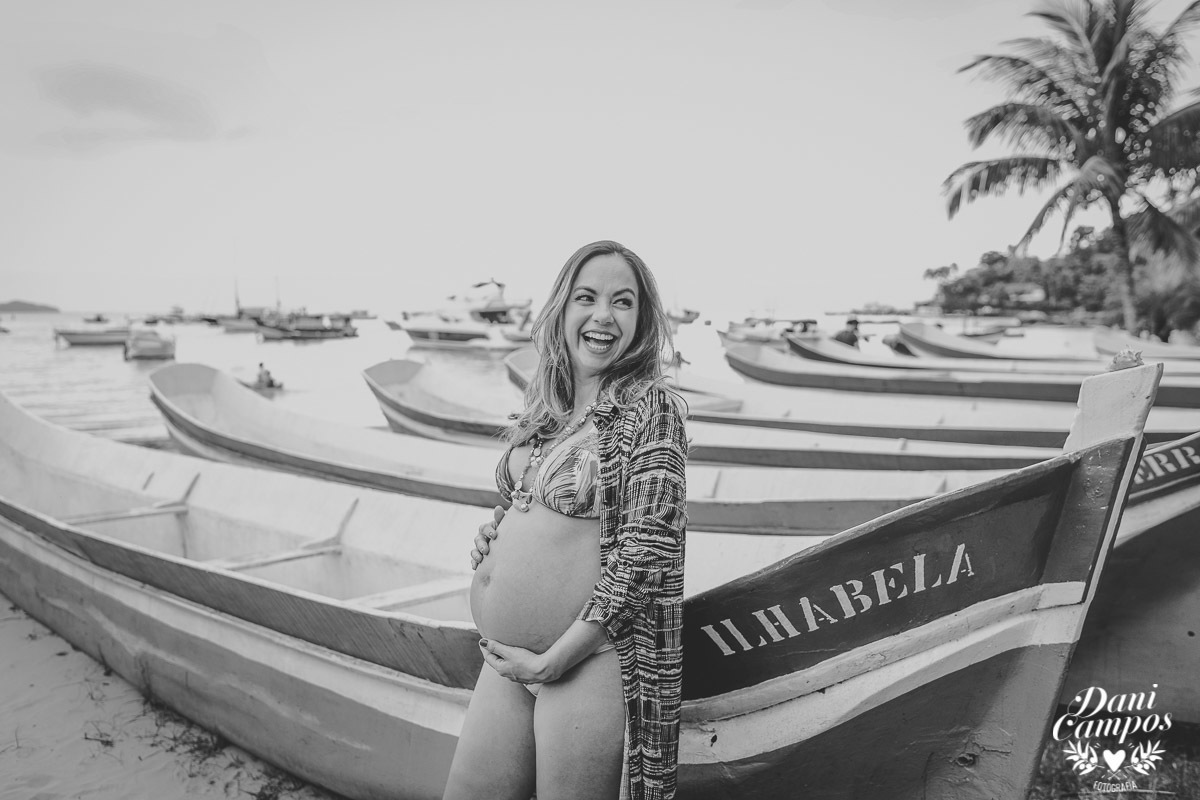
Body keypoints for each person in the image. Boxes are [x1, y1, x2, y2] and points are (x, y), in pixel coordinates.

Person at [445, 241, 689, 800]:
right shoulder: (547, 409)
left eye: (622, 302)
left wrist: (555, 662)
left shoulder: (651, 410)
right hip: (505, 661)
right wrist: (495, 538)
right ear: (562, 307)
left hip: (584, 661)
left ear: (641, 321)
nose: (603, 315)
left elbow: (646, 551)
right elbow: (532, 512)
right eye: (587, 297)